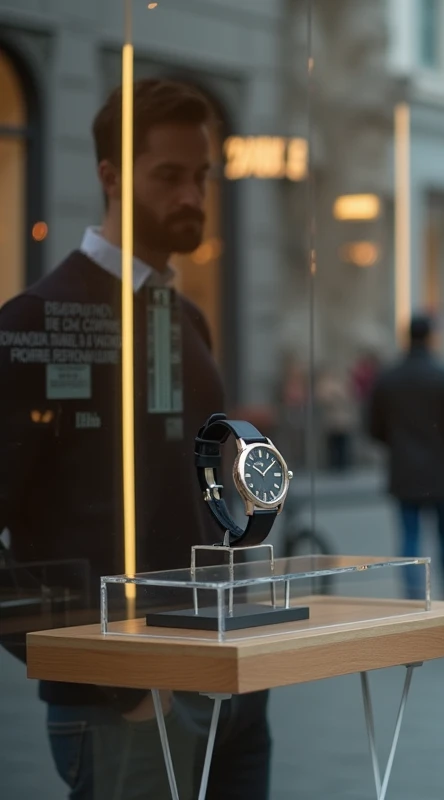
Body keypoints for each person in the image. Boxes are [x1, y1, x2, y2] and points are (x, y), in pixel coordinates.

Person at [0, 79, 271, 799]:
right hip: (128, 699)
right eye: (169, 176)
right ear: (111, 176)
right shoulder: (37, 321)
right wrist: (93, 672)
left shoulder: (187, 319)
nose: (193, 196)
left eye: (202, 176)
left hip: (227, 673)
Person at [367, 315, 444, 600]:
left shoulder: (389, 379)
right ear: (430, 337)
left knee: (409, 537)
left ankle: (414, 595)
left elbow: (372, 427)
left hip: (404, 469)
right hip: (440, 468)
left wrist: (397, 444)